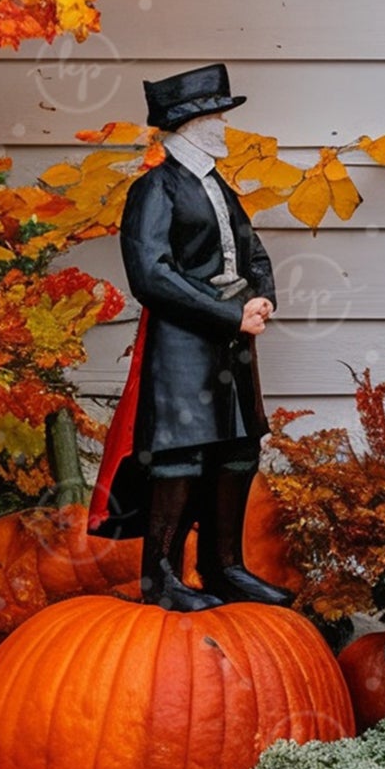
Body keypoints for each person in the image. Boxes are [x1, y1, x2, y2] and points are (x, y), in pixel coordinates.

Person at [87, 65, 293, 609]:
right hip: (181, 346)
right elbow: (150, 273)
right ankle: (162, 576)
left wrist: (262, 294)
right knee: (181, 454)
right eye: (217, 117)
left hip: (232, 346)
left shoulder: (220, 188)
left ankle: (224, 566)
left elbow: (251, 250)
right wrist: (228, 314)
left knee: (237, 450)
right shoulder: (154, 189)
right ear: (189, 124)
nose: (225, 127)